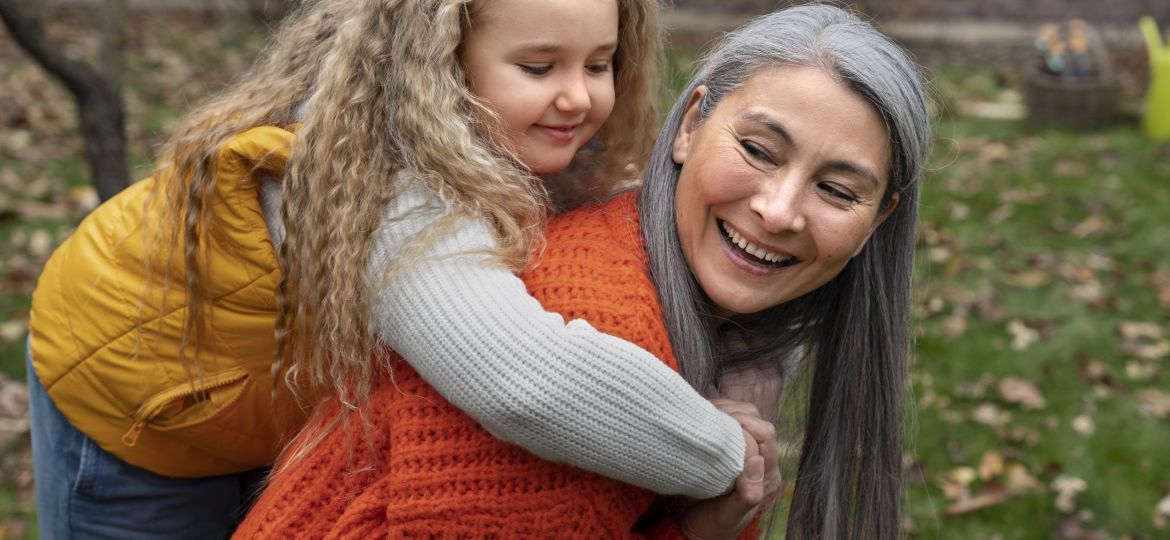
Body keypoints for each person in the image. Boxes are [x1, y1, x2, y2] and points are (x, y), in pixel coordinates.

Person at [25, 0, 767, 538]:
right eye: (539, 66)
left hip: (252, 391)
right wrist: (720, 454)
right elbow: (528, 381)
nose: (578, 94)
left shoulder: (499, 135)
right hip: (135, 396)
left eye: (600, 64)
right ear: (438, 63)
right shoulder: (385, 191)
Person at [237, 3, 931, 538]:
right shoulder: (599, 325)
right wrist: (724, 458)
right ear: (688, 126)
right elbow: (522, 382)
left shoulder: (707, 314)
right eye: (758, 149)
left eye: (838, 190)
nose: (780, 211)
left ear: (881, 217)